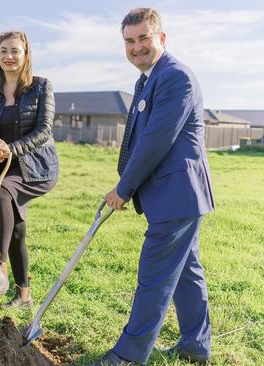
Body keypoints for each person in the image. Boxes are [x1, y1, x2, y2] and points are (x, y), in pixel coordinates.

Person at [91, 8, 216, 366]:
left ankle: (128, 356)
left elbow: (155, 141)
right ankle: (195, 346)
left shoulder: (176, 77)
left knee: (155, 278)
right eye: (129, 41)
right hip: (173, 197)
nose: (137, 47)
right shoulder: (147, 80)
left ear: (161, 38)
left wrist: (124, 188)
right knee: (186, 273)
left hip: (177, 195)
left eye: (144, 38)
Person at [0, 31, 59, 308]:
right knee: (16, 228)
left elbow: (44, 130)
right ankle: (24, 295)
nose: (9, 56)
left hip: (35, 167)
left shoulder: (41, 87)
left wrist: (11, 148)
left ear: (25, 55)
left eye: (15, 51)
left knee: (4, 195)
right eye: (3, 51)